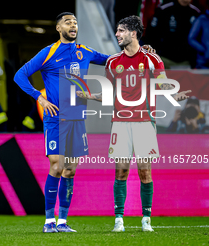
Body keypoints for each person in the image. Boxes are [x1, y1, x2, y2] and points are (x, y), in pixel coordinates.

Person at [14, 12, 154, 233]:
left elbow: (113, 60)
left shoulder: (85, 52)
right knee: (56, 166)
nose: (73, 25)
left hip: (77, 120)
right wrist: (39, 97)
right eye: (68, 22)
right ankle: (48, 221)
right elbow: (20, 75)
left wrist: (140, 51)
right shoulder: (48, 52)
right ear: (58, 28)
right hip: (56, 119)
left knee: (70, 170)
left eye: (75, 22)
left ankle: (62, 222)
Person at [77, 15, 190, 232]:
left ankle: (146, 219)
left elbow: (162, 85)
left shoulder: (152, 60)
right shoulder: (112, 62)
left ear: (133, 33)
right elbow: (109, 94)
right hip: (120, 122)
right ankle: (119, 220)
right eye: (117, 31)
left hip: (145, 122)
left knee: (145, 172)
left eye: (121, 31)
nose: (117, 34)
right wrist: (90, 96)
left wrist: (175, 95)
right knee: (121, 171)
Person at [145, 0, 200, 68]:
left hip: (185, 61)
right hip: (165, 58)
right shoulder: (164, 9)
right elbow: (152, 34)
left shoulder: (195, 12)